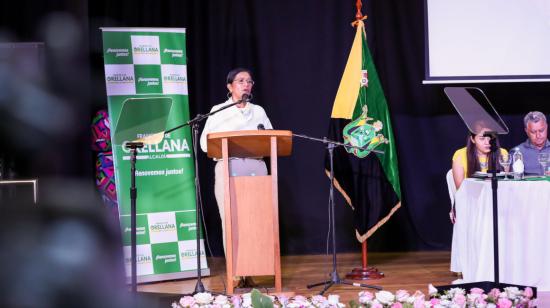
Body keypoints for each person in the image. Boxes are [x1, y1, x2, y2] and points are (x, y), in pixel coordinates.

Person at [199, 68, 272, 287]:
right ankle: (236, 273)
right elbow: (205, 143)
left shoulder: (258, 111)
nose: (246, 84)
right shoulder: (218, 110)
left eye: (249, 81)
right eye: (241, 81)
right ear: (229, 86)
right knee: (232, 222)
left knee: (257, 220)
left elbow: (271, 138)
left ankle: (255, 270)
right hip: (228, 168)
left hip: (256, 168)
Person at [513, 111, 550, 175]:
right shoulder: (517, 153)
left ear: (546, 127)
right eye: (533, 132)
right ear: (526, 131)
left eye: (541, 131)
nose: (538, 136)